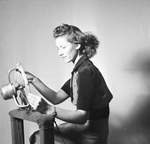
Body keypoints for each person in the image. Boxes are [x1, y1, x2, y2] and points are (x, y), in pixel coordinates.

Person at [26, 24, 113, 144]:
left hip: (91, 133)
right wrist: (34, 80)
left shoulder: (86, 72)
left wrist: (48, 108)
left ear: (77, 45)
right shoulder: (80, 70)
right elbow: (56, 98)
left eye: (63, 47)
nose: (59, 53)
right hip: (84, 127)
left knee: (39, 138)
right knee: (38, 136)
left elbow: (82, 117)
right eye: (58, 48)